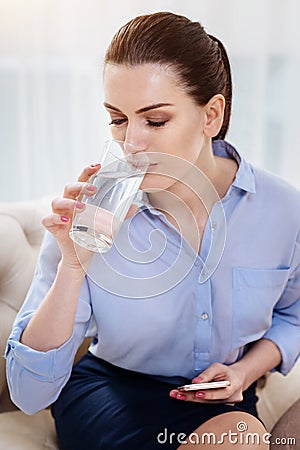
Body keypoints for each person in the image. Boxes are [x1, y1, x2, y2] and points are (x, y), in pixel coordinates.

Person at [5, 11, 300, 450]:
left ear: (211, 116)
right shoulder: (92, 211)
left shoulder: (282, 210)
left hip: (219, 402)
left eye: (155, 121)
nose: (131, 144)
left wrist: (245, 371)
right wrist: (72, 264)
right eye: (118, 119)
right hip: (112, 394)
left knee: (241, 437)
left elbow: (292, 315)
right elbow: (29, 393)